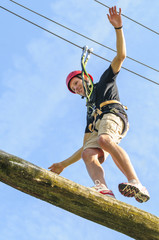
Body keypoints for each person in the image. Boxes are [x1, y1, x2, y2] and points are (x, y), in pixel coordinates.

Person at [49, 6, 150, 203]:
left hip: (113, 114)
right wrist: (63, 165)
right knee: (88, 152)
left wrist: (118, 29)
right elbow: (85, 146)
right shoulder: (90, 113)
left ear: (86, 77)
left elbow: (120, 57)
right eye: (73, 88)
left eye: (77, 83)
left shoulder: (103, 83)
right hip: (101, 121)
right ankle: (102, 188)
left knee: (104, 140)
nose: (77, 88)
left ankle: (136, 182)